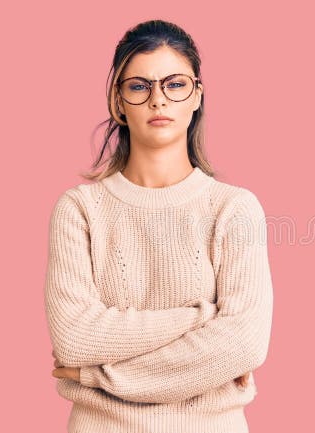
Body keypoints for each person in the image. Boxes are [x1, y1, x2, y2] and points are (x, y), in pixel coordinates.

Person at [44, 19, 273, 433]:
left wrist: (97, 375)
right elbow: (75, 338)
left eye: (174, 84)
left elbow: (244, 343)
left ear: (196, 96)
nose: (158, 100)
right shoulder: (80, 209)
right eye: (139, 86)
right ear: (118, 101)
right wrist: (202, 318)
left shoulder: (234, 209)